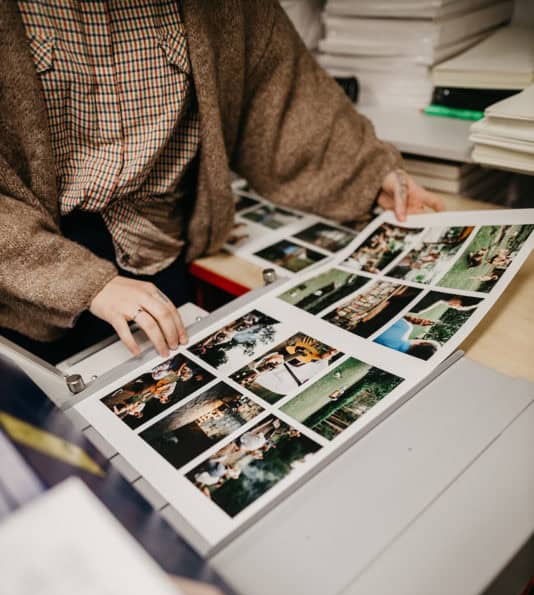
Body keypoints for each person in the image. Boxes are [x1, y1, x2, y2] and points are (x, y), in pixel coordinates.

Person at [0, 1, 443, 363]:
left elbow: (280, 93)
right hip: (26, 270)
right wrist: (79, 282)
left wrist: (367, 174)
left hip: (162, 248)